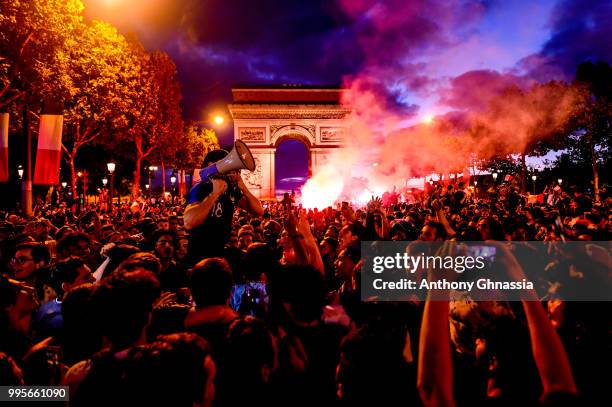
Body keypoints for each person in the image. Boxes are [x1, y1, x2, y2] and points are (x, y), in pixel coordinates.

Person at [184, 149, 263, 263]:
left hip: (220, 254)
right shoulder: (199, 188)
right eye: (225, 164)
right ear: (210, 165)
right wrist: (214, 194)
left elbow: (258, 211)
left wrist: (243, 187)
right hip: (198, 256)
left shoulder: (230, 190)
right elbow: (189, 222)